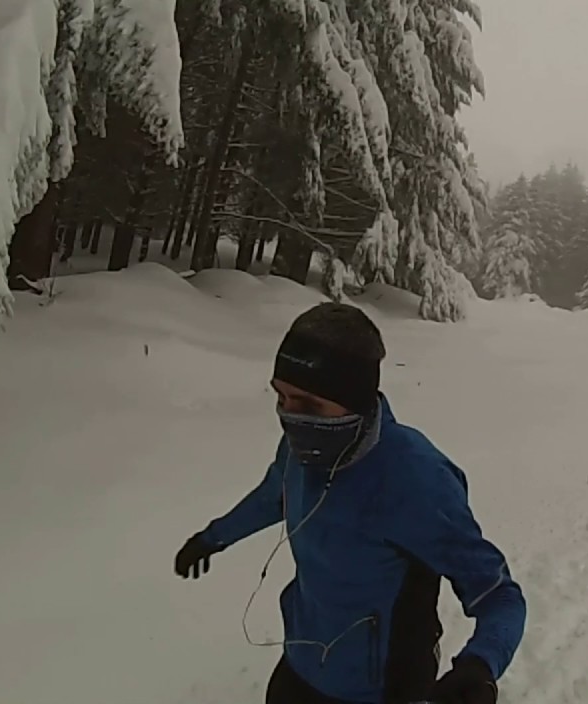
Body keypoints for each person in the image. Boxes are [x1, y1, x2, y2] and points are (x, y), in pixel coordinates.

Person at [174, 302, 526, 704]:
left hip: (383, 689)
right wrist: (214, 538)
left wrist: (481, 665)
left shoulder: (415, 478)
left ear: (354, 399)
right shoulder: (301, 448)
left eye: (308, 404)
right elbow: (274, 496)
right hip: (301, 663)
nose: (289, 417)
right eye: (281, 397)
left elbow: (499, 595)